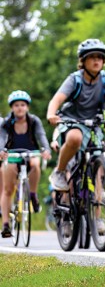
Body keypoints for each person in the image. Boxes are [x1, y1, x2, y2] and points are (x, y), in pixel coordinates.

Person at [46, 39, 105, 195]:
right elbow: (57, 99)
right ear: (83, 60)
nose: (97, 60)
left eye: (100, 57)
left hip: (94, 123)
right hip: (72, 121)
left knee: (101, 159)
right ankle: (59, 171)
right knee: (75, 138)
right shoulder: (74, 79)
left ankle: (97, 217)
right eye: (92, 57)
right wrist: (51, 114)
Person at [0, 91, 51, 238]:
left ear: (27, 107)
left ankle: (33, 195)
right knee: (8, 189)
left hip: (31, 153)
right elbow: (2, 138)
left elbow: (41, 136)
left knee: (36, 163)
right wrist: (1, 150)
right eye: (16, 105)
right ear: (12, 108)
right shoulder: (7, 123)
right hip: (13, 154)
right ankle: (5, 225)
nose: (20, 108)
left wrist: (46, 149)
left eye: (23, 105)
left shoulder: (34, 121)